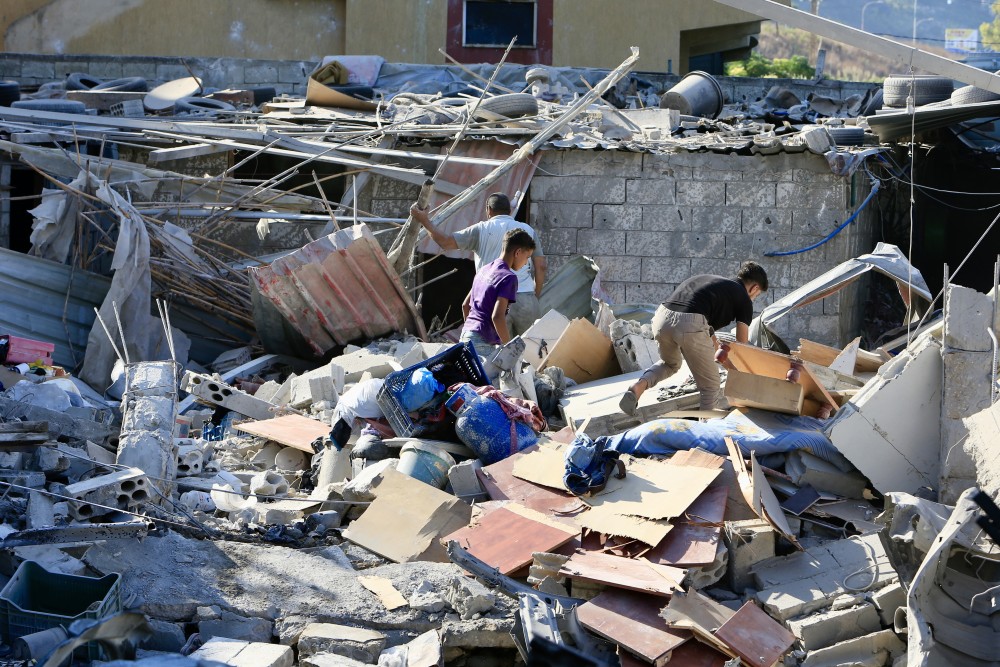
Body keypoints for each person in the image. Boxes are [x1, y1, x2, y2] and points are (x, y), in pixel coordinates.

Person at [620, 261, 769, 415]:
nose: (753, 298)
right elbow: (742, 345)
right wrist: (748, 375)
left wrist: (731, 368)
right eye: (756, 296)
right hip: (689, 323)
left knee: (670, 364)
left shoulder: (715, 286)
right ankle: (704, 434)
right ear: (754, 288)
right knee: (710, 386)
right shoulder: (743, 298)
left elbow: (709, 338)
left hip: (661, 318)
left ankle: (637, 388)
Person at [410, 193, 547, 335]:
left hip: (492, 301)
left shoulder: (480, 230)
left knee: (497, 353)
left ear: (488, 210)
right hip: (526, 300)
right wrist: (533, 297)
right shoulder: (527, 231)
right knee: (532, 353)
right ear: (510, 211)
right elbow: (541, 266)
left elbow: (445, 242)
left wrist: (424, 220)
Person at [460, 229, 536, 378]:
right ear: (518, 252)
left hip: (465, 337)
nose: (526, 263)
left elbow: (465, 305)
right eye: (527, 257)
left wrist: (471, 331)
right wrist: (509, 349)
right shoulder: (508, 278)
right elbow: (497, 317)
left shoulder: (484, 269)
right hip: (481, 343)